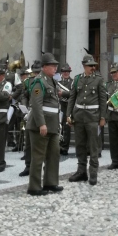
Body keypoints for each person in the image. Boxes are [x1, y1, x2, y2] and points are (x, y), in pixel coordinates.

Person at [67, 54, 107, 186]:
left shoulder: (99, 80)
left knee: (93, 145)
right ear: (84, 66)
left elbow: (102, 99)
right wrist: (69, 114)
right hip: (79, 116)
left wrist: (102, 117)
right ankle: (81, 171)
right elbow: (72, 98)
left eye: (93, 66)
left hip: (92, 117)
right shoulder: (78, 79)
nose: (92, 68)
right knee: (80, 145)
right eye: (90, 66)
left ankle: (93, 172)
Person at [27, 53, 63, 196]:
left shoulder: (51, 81)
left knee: (54, 153)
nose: (55, 68)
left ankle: (51, 182)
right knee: (38, 156)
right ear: (44, 67)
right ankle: (34, 187)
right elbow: (36, 104)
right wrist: (41, 124)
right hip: (40, 125)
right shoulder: (39, 81)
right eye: (52, 66)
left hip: (53, 124)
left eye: (56, 66)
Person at [18, 60, 42, 177]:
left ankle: (40, 166)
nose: (36, 74)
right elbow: (24, 95)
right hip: (31, 113)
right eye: (35, 72)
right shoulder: (28, 82)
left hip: (43, 114)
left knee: (41, 142)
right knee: (28, 142)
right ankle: (28, 166)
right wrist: (25, 108)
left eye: (38, 72)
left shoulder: (46, 81)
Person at [58, 63, 73, 156]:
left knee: (67, 128)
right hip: (59, 106)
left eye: (67, 71)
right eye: (64, 71)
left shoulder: (72, 82)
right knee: (59, 127)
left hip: (68, 106)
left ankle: (65, 147)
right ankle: (59, 146)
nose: (66, 73)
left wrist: (63, 93)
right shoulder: (57, 81)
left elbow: (73, 93)